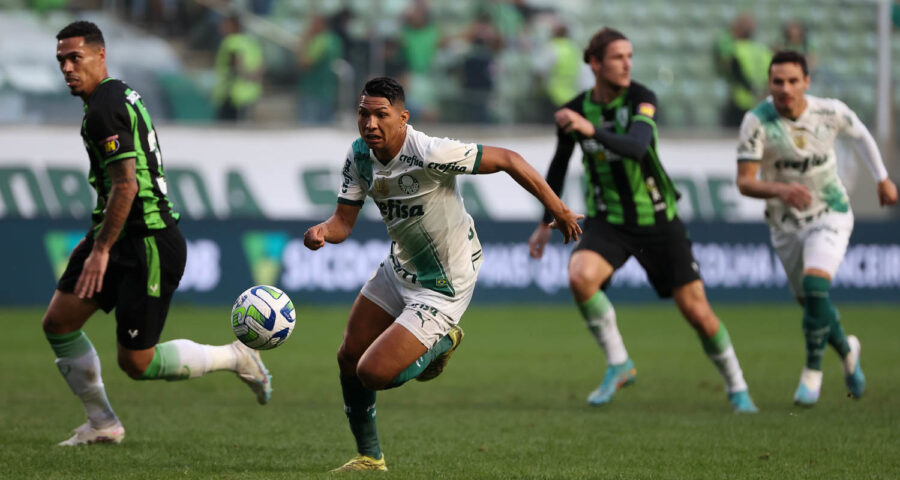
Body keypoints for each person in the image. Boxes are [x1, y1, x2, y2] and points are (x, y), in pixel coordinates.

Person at [303, 77, 582, 471]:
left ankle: (444, 339)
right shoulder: (359, 156)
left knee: (372, 373)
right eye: (363, 114)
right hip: (400, 268)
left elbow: (509, 160)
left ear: (403, 118)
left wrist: (559, 209)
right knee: (349, 356)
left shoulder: (432, 152)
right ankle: (370, 458)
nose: (370, 124)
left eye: (381, 115)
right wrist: (322, 232)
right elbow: (342, 224)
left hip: (445, 283)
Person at [46, 21, 272, 446]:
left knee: (137, 363)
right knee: (59, 323)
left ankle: (235, 356)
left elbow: (127, 185)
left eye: (75, 58)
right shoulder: (115, 96)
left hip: (147, 242)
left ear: (100, 55)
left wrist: (101, 249)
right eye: (61, 60)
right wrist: (97, 239)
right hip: (117, 235)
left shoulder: (103, 109)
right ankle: (103, 423)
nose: (67, 68)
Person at [528, 27, 757, 413]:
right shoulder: (576, 109)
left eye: (630, 56)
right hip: (609, 221)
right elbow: (558, 166)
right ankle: (619, 362)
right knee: (580, 276)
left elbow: (636, 147)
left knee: (698, 312)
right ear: (596, 64)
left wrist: (592, 130)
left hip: (658, 220)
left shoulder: (641, 98)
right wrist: (544, 220)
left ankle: (737, 387)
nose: (627, 63)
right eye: (619, 57)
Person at [735, 50, 898, 406]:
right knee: (811, 302)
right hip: (785, 224)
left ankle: (812, 373)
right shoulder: (756, 122)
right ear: (769, 83)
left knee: (814, 284)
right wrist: (781, 190)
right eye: (778, 81)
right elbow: (745, 183)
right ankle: (847, 349)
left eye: (793, 81)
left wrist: (882, 179)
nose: (785, 88)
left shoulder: (829, 111)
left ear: (806, 82)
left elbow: (861, 136)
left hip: (831, 212)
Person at [714, 13, 772, 127]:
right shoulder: (763, 50)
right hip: (761, 100)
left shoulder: (735, 49)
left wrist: (751, 88)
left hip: (740, 100)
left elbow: (734, 73)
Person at [212, 14, 263, 121]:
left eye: (225, 24)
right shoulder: (250, 43)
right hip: (249, 94)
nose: (222, 27)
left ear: (233, 25)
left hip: (232, 96)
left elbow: (236, 63)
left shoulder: (232, 42)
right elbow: (259, 69)